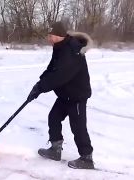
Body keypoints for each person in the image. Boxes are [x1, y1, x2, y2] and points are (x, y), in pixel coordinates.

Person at [27, 21, 94, 169]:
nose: (49, 39)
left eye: (52, 36)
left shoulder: (71, 51)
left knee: (78, 127)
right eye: (49, 35)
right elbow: (52, 68)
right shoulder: (59, 47)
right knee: (54, 117)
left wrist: (41, 87)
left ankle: (87, 158)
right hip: (65, 94)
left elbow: (59, 76)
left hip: (76, 95)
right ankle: (55, 150)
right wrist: (39, 84)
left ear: (60, 35)